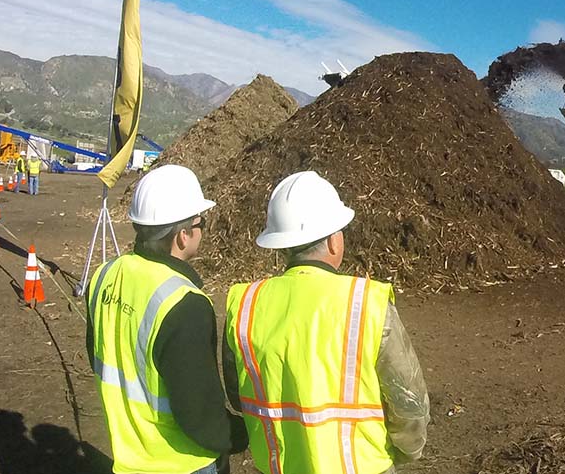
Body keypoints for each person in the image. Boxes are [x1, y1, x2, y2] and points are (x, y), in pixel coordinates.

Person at [224, 171, 429, 474]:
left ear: (281, 245)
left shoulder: (245, 304)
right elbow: (408, 402)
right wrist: (406, 451)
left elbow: (239, 394)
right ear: (334, 241)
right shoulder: (366, 302)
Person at [85, 165, 247, 474]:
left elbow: (99, 357)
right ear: (183, 236)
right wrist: (239, 434)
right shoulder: (184, 304)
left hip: (129, 459)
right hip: (183, 463)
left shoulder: (104, 276)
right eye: (200, 223)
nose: (203, 230)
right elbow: (200, 416)